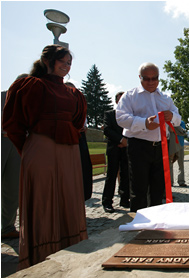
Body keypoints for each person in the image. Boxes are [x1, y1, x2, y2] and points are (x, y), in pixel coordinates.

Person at [2, 45, 88, 269]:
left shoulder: (73, 93)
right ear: (47, 61)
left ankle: (72, 253)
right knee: (43, 199)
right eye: (62, 61)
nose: (67, 66)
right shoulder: (30, 85)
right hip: (41, 149)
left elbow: (78, 123)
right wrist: (32, 148)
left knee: (69, 197)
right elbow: (13, 123)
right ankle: (40, 257)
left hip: (69, 151)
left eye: (69, 63)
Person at [116, 62, 181, 212]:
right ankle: (139, 223)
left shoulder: (165, 98)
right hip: (139, 146)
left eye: (154, 78)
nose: (151, 82)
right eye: (146, 78)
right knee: (139, 188)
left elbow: (178, 118)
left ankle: (157, 221)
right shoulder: (130, 96)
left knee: (158, 188)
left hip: (160, 147)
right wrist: (144, 123)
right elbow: (120, 118)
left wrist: (172, 116)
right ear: (139, 77)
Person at [1, 74, 27, 239]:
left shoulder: (28, 101)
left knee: (12, 187)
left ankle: (7, 226)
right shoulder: (3, 96)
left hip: (16, 143)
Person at [102, 92, 130, 213]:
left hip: (126, 148)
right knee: (111, 175)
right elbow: (107, 130)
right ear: (116, 101)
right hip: (114, 148)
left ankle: (124, 199)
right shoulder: (109, 114)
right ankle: (107, 201)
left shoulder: (130, 115)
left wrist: (126, 142)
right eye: (120, 99)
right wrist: (121, 140)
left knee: (126, 175)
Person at [65, 81, 93, 201]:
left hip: (80, 140)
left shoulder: (80, 107)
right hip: (67, 141)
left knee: (83, 170)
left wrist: (84, 128)